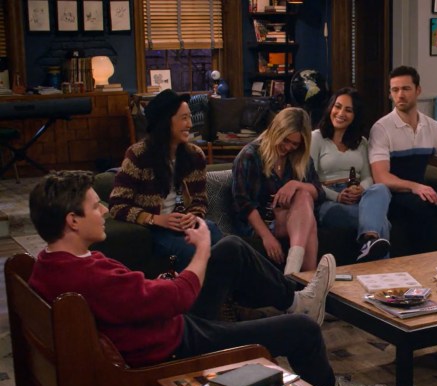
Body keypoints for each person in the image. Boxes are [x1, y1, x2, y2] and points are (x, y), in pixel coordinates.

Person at [27, 170, 390, 386]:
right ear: (72, 221)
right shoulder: (89, 275)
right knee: (303, 330)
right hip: (175, 349)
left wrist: (163, 282)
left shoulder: (46, 265)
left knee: (230, 249)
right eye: (96, 206)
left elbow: (138, 297)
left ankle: (296, 300)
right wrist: (201, 249)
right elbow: (178, 297)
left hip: (161, 328)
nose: (105, 211)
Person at [368, 65, 437, 255]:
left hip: (421, 191)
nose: (400, 95)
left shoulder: (434, 127)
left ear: (418, 90)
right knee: (422, 207)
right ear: (390, 94)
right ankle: (430, 262)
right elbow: (381, 177)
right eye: (395, 90)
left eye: (406, 89)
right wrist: (415, 187)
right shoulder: (382, 128)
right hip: (395, 195)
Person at [109, 89, 223, 271]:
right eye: (183, 118)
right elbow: (117, 206)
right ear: (165, 122)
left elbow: (200, 200)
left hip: (185, 224)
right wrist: (155, 219)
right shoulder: (138, 155)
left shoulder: (195, 155)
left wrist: (193, 215)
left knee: (220, 239)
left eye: (190, 117)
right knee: (190, 250)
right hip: (154, 229)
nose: (190, 124)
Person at [233, 107, 323, 275]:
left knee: (304, 195)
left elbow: (319, 192)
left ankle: (294, 271)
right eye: (285, 140)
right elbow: (243, 204)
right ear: (276, 131)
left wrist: (295, 184)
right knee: (308, 222)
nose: (288, 147)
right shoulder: (251, 155)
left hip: (294, 219)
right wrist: (266, 237)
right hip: (261, 221)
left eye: (295, 144)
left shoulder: (299, 157)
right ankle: (308, 279)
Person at [310, 87, 392, 262]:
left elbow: (368, 177)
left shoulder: (361, 142)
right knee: (383, 223)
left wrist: (360, 189)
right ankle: (378, 259)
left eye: (348, 110)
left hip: (358, 197)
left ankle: (369, 241)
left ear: (355, 115)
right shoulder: (316, 138)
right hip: (328, 201)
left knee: (380, 188)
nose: (341, 113)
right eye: (337, 107)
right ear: (330, 108)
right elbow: (310, 179)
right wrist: (337, 196)